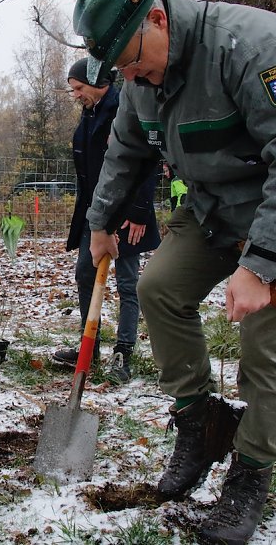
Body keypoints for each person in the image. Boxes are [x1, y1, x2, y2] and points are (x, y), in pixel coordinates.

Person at [73, 0, 276, 543]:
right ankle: (200, 424)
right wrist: (99, 223)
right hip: (214, 208)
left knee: (263, 339)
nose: (131, 78)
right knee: (157, 288)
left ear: (157, 19)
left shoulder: (252, 45)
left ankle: (250, 472)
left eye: (131, 62)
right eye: (120, 72)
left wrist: (261, 264)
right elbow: (124, 150)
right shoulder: (139, 77)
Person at [52, 57, 160, 384]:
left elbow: (146, 159)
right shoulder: (89, 114)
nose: (75, 95)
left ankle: (123, 352)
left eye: (78, 88)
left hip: (128, 215)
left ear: (98, 83)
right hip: (95, 215)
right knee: (85, 273)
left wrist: (140, 212)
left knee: (128, 284)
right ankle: (90, 346)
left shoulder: (123, 108)